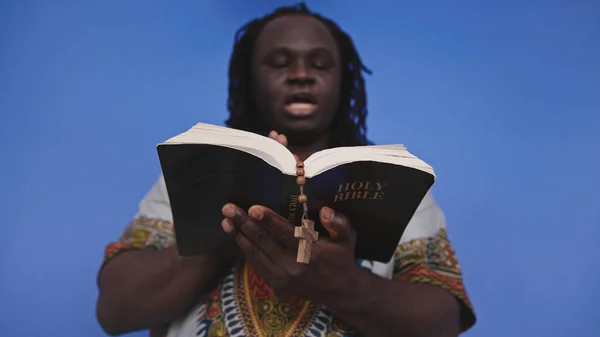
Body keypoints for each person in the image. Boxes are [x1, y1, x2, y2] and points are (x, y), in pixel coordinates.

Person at [96, 3, 476, 337]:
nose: (300, 74)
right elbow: (115, 309)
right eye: (279, 63)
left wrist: (344, 285)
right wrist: (233, 222)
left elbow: (442, 323)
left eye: (320, 64)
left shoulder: (392, 183)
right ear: (250, 81)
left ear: (343, 84)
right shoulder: (192, 176)